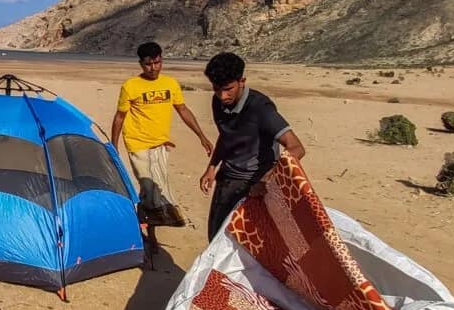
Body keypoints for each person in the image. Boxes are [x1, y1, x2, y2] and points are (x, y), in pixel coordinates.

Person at [110, 42, 213, 268]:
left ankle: (148, 230)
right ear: (141, 64)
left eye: (157, 62)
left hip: (160, 145)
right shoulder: (131, 86)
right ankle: (146, 236)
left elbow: (182, 110)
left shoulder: (170, 83)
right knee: (149, 187)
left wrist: (202, 136)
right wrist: (113, 146)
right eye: (148, 64)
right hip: (137, 143)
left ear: (161, 60)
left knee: (155, 190)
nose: (153, 68)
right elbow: (120, 117)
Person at [199, 52, 307, 241]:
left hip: (256, 186)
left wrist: (266, 179)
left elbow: (296, 147)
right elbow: (226, 136)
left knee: (253, 244)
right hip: (228, 181)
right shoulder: (218, 102)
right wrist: (212, 167)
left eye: (228, 89)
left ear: (242, 81)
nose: (222, 96)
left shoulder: (261, 108)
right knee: (217, 239)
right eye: (216, 89)